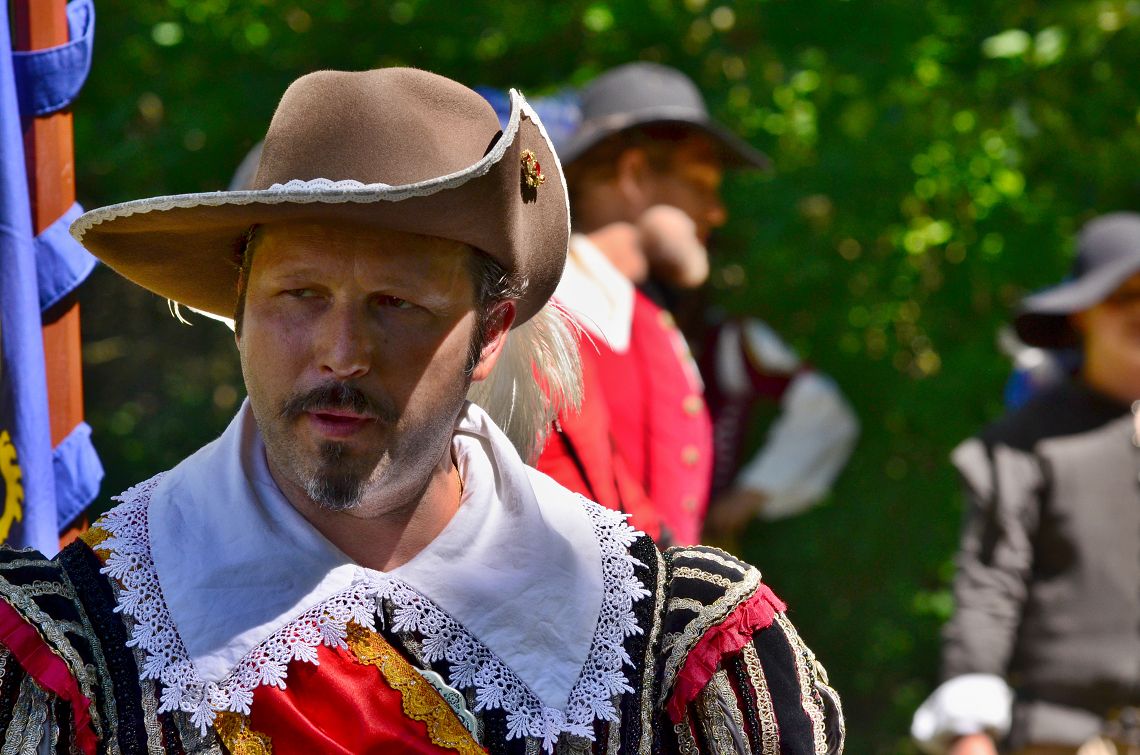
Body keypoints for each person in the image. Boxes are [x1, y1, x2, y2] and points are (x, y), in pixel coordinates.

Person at [0, 68, 842, 753]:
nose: (342, 352)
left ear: (490, 334)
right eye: (300, 294)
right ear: (241, 308)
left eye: (396, 303)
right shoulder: (72, 647)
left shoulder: (674, 652)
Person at [534, 62, 857, 546]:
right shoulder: (538, 314)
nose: (717, 212)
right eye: (701, 185)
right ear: (634, 175)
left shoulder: (650, 321)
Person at [911, 213, 1140, 754]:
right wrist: (970, 733)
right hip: (1067, 740)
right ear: (1082, 313)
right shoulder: (1023, 445)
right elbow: (989, 588)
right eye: (1122, 296)